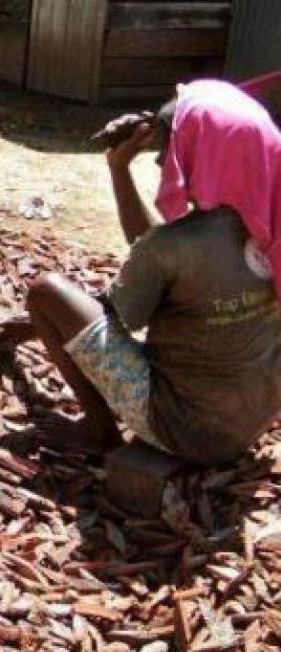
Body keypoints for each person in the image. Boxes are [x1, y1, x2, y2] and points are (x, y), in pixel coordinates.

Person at [25, 79, 281, 465]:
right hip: (249, 421)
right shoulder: (270, 225)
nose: (163, 163)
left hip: (183, 430)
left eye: (172, 148)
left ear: (202, 154)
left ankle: (97, 429)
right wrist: (123, 167)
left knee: (47, 293)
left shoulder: (175, 245)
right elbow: (158, 252)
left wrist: (118, 166)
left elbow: (124, 314)